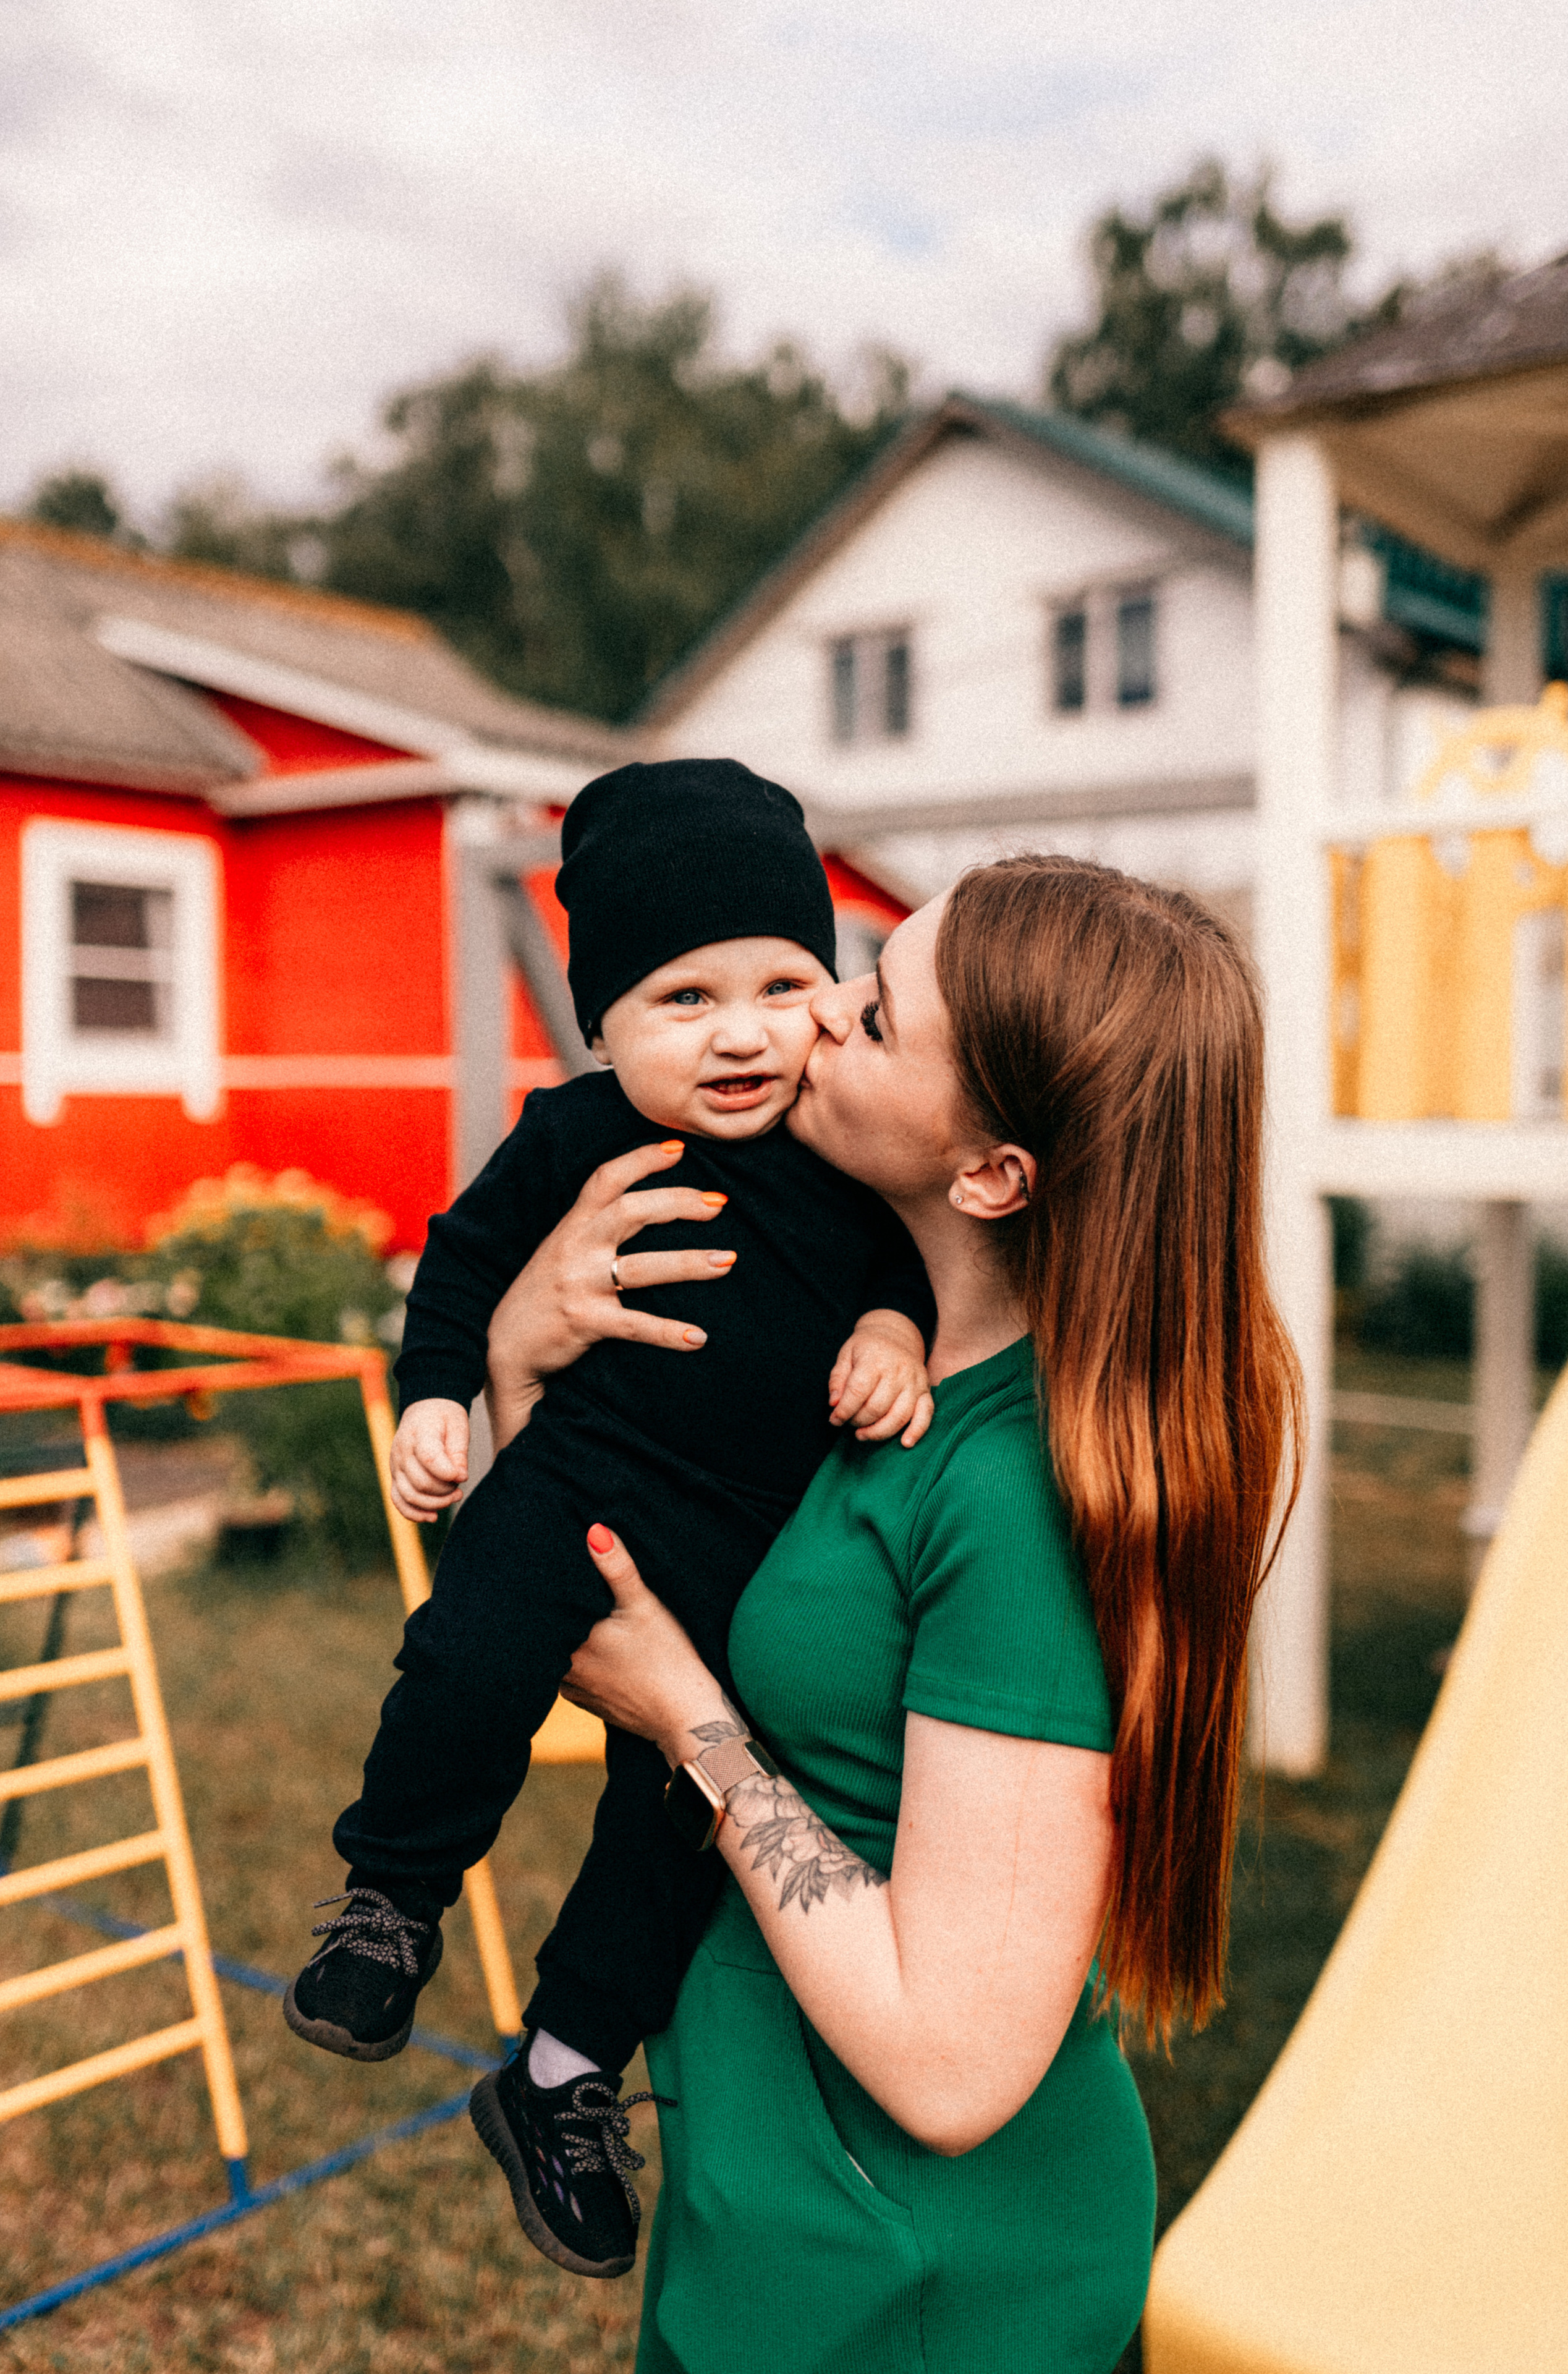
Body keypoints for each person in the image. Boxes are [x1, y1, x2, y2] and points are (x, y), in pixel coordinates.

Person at [474, 854, 1302, 2373]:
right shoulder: (868, 1374)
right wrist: (521, 1350)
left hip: (917, 2283)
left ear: (987, 1170)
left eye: (872, 1017)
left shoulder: (1020, 1499)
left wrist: (695, 1729)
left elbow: (948, 2065)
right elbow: (592, 1568)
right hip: (771, 2205)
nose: (814, 1012)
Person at [285, 758, 936, 2279]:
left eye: (783, 984)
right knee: (464, 1663)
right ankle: (389, 1899)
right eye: (681, 999)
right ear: (603, 1027)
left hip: (747, 1553)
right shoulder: (575, 1135)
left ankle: (563, 2079)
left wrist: (893, 1339)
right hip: (574, 1487)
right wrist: (441, 1390)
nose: (741, 1031)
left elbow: (910, 1274)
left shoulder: (840, 1153)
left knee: (679, 1833)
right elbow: (459, 1264)